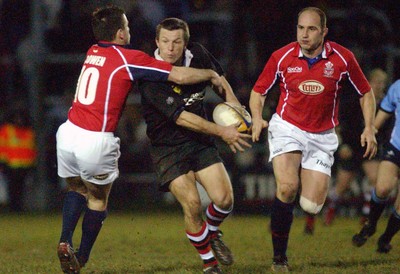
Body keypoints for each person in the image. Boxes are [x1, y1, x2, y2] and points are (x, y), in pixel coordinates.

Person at [56, 5, 226, 274]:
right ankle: (82, 258)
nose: (130, 30)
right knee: (98, 200)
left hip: (67, 133)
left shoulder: (93, 51)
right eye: (127, 26)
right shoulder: (127, 57)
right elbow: (179, 74)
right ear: (120, 33)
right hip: (95, 138)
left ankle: (65, 239)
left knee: (77, 188)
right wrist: (210, 74)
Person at [249, 7, 377, 272]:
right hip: (287, 128)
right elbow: (258, 91)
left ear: (324, 32)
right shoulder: (281, 57)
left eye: (311, 29)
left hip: (321, 135)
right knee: (287, 187)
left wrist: (370, 128)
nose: (304, 35)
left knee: (311, 205)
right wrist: (257, 116)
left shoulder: (342, 58)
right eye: (300, 28)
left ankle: (292, 210)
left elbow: (366, 92)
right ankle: (279, 259)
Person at [138, 18, 252, 274]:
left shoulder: (198, 54)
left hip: (199, 142)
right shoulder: (148, 72)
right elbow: (182, 117)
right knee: (191, 204)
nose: (170, 48)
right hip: (167, 147)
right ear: (157, 42)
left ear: (185, 43)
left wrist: (236, 110)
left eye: (176, 42)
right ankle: (210, 265)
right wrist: (223, 131)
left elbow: (220, 82)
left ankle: (211, 232)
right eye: (165, 42)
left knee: (224, 200)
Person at [304, 68, 389, 233]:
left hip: (369, 146)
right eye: (377, 82)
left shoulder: (385, 104)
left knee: (375, 179)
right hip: (351, 146)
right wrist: (342, 144)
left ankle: (366, 215)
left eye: (382, 83)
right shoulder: (354, 101)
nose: (380, 86)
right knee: (342, 187)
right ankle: (327, 210)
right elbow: (339, 123)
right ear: (369, 83)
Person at [352, 78, 400, 253]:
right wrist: (370, 131)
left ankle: (385, 238)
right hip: (396, 147)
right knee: (382, 188)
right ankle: (371, 224)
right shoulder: (397, 87)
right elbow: (381, 117)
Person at [0, 105, 37, 212]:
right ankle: (13, 208)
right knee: (12, 189)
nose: (19, 120)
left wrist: (32, 164)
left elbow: (32, 149)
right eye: (17, 118)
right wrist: (2, 163)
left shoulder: (29, 132)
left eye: (21, 118)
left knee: (21, 189)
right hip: (10, 165)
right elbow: (2, 148)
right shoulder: (6, 130)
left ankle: (19, 208)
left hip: (25, 166)